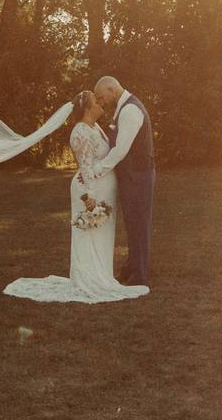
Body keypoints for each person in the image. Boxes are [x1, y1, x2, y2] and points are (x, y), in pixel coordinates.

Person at [2, 91, 149, 303]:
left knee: (100, 236)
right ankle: (88, 280)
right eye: (97, 103)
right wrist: (89, 197)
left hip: (102, 189)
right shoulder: (80, 132)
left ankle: (101, 276)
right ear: (88, 109)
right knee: (88, 235)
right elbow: (85, 166)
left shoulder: (95, 127)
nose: (101, 105)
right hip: (90, 192)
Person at [91, 76, 155, 287]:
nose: (101, 102)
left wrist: (98, 169)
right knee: (133, 223)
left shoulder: (129, 110)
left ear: (112, 89)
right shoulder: (123, 108)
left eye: (102, 97)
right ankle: (132, 267)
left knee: (138, 224)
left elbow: (120, 149)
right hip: (132, 175)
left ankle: (140, 275)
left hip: (137, 175)